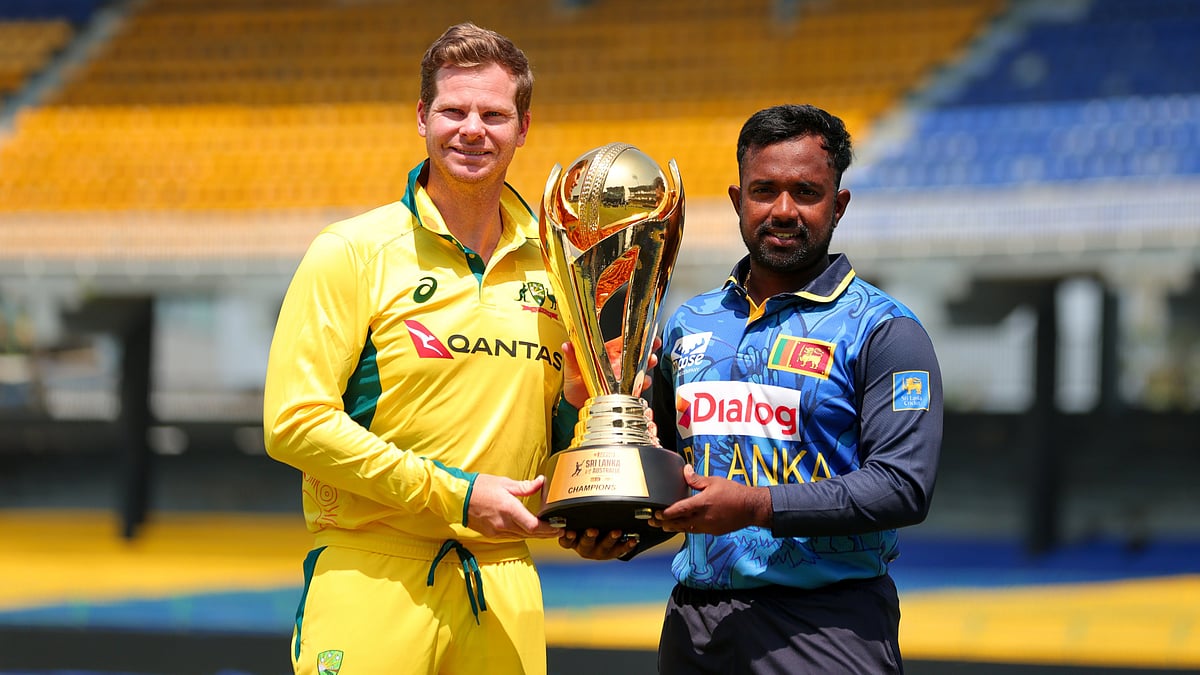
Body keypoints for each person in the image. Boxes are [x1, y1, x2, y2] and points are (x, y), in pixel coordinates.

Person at [262, 22, 591, 675]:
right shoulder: (352, 251)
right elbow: (293, 423)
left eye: (495, 114)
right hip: (374, 572)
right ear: (421, 117)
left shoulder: (563, 268)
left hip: (506, 580)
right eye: (454, 110)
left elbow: (567, 425)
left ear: (523, 127)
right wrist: (458, 496)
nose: (473, 128)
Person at [647, 103, 943, 673]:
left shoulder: (885, 331)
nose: (783, 210)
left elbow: (903, 487)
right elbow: (660, 466)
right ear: (738, 201)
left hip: (825, 628)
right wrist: (606, 524)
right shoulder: (689, 322)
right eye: (764, 190)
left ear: (839, 204)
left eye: (806, 192)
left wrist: (755, 506)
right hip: (694, 626)